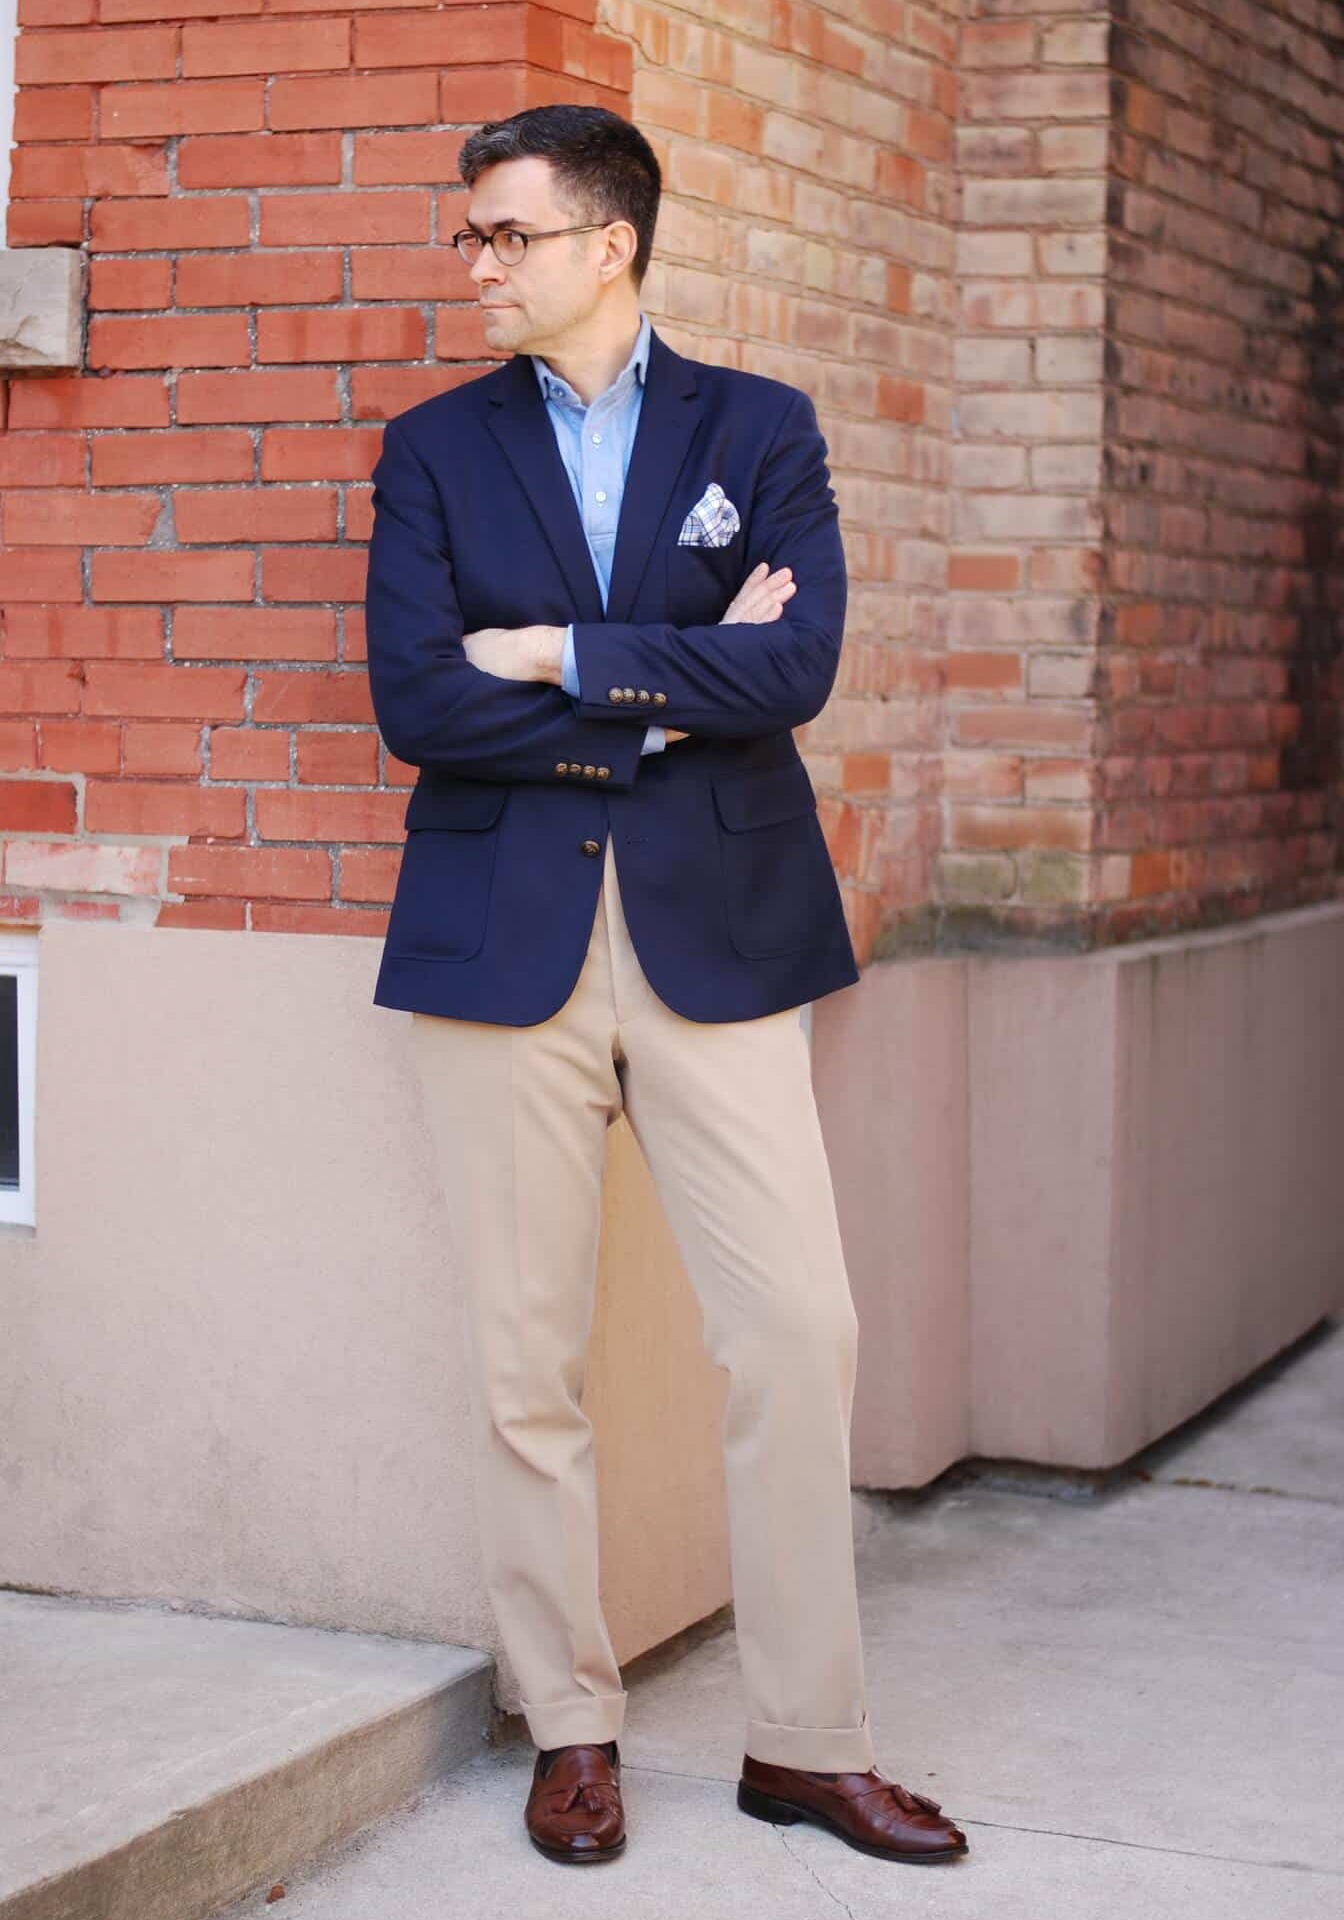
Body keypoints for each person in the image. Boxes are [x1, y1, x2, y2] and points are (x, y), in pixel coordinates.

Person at [362, 101, 968, 1870]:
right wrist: (672, 683)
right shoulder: (434, 449)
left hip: (721, 932)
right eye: (468, 233)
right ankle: (571, 1724)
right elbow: (418, 701)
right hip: (503, 946)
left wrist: (556, 657)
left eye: (505, 234)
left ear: (610, 243)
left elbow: (797, 662)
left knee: (797, 1330)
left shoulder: (760, 428)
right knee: (521, 1358)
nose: (473, 263)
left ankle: (808, 1742)